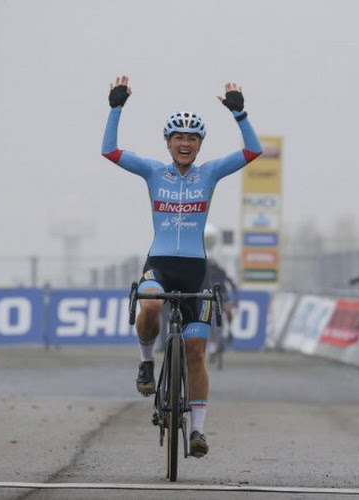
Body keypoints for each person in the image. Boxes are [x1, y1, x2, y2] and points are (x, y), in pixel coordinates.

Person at [101, 75, 262, 458]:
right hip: (159, 264)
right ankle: (145, 363)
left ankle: (198, 432)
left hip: (195, 270)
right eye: (178, 138)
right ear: (169, 143)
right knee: (151, 304)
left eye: (192, 139)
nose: (185, 143)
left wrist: (239, 113)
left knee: (195, 351)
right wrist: (115, 108)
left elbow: (253, 151)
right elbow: (110, 151)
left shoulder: (210, 174)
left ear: (199, 145)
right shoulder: (155, 172)